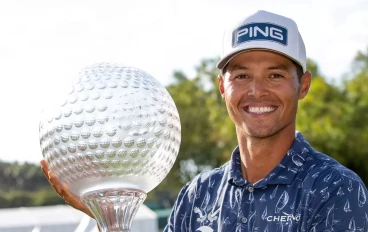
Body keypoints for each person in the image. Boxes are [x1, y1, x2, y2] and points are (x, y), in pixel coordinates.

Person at [41, 10, 368, 231]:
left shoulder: (335, 189)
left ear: (304, 86)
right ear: (222, 88)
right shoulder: (198, 195)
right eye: (241, 75)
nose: (256, 91)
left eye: (275, 75)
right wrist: (108, 216)